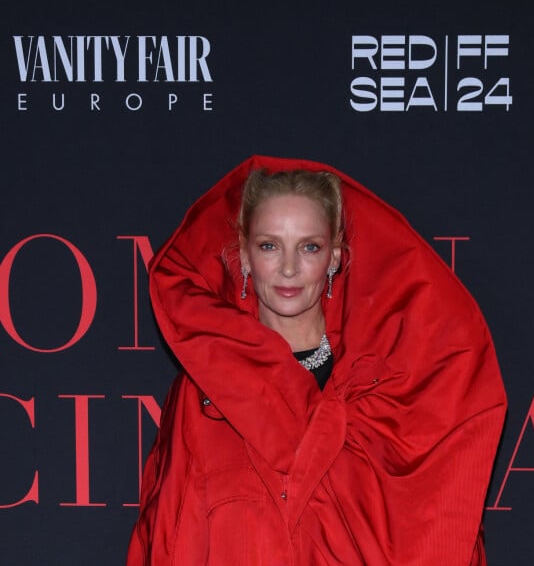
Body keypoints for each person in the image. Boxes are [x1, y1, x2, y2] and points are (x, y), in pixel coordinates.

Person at [127, 155, 506, 565]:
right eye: (269, 245)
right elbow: (169, 537)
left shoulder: (381, 394)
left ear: (336, 257)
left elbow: (441, 532)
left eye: (310, 247)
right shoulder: (203, 389)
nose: (289, 268)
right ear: (245, 257)